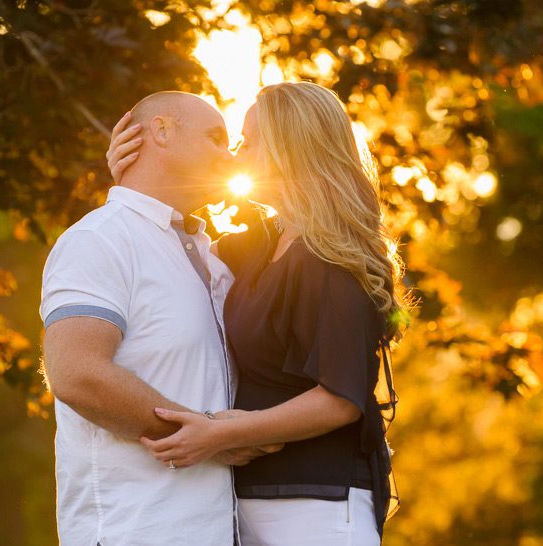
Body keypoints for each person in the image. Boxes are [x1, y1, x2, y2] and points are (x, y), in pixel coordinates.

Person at [107, 82, 407, 545]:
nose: (235, 156)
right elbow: (162, 250)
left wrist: (219, 434)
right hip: (246, 503)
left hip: (319, 504)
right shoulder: (257, 248)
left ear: (291, 147)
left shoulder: (332, 260)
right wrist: (135, 177)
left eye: (249, 142)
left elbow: (341, 399)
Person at [41, 91, 279, 546]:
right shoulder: (99, 239)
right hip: (133, 530)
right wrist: (209, 436)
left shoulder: (214, 259)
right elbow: (76, 374)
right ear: (162, 131)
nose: (228, 155)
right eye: (215, 138)